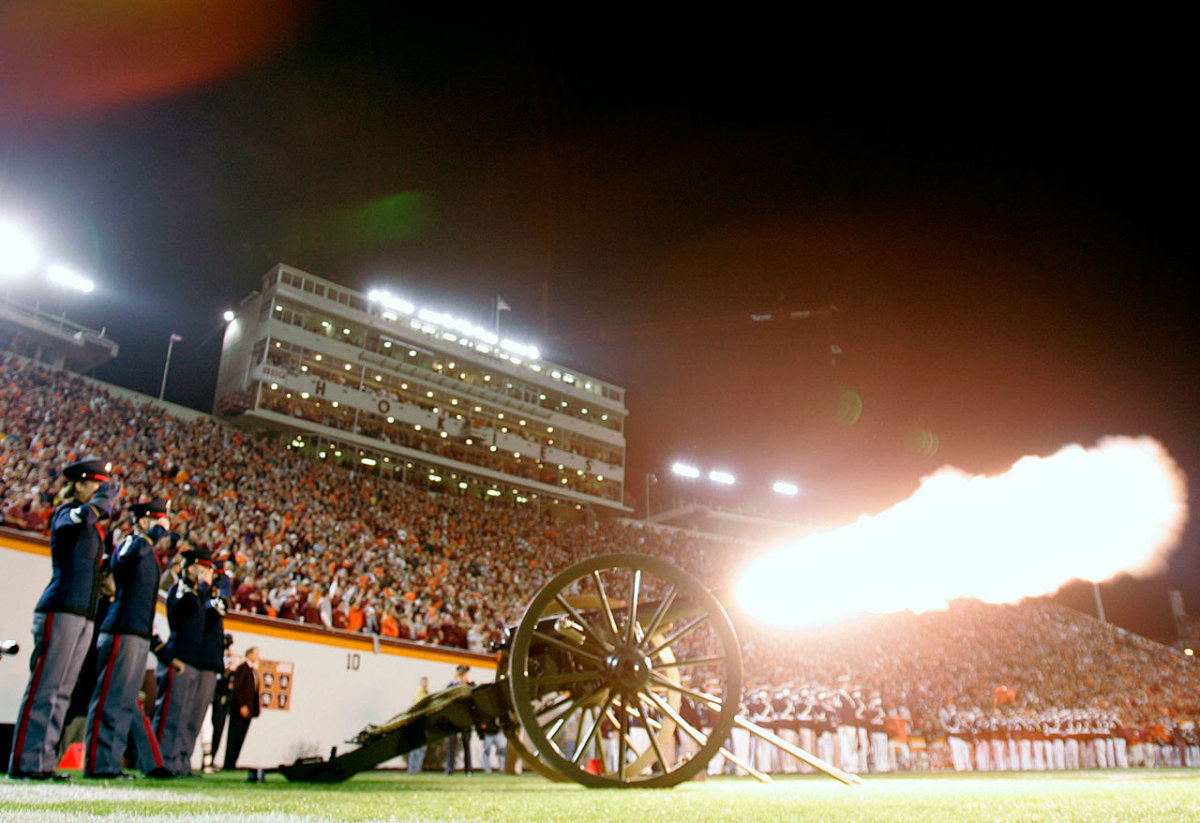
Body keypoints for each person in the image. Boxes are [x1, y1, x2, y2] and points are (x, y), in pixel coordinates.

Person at [9, 458, 117, 780]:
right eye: (95, 484)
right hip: (60, 608)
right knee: (46, 688)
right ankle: (25, 763)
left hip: (82, 612)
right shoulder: (66, 512)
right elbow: (80, 518)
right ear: (79, 484)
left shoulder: (93, 527)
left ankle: (43, 761)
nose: (100, 491)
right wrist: (101, 503)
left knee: (63, 692)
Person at [83, 497, 174, 779]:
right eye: (158, 522)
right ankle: (100, 764)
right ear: (144, 521)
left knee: (124, 702)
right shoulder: (130, 543)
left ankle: (114, 762)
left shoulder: (147, 553)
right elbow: (126, 557)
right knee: (110, 699)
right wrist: (153, 534)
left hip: (137, 633)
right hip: (122, 630)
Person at [152, 547, 213, 776]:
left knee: (186, 716)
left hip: (193, 660)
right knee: (171, 714)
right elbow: (182, 610)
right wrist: (203, 588)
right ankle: (162, 760)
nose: (204, 573)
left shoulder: (197, 592)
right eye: (200, 568)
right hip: (179, 657)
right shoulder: (180, 590)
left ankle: (178, 762)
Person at [223, 646, 261, 772]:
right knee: (234, 735)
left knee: (240, 737)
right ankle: (228, 763)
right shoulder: (242, 669)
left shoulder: (253, 671)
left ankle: (233, 762)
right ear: (249, 654)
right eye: (255, 654)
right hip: (239, 710)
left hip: (250, 710)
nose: (257, 656)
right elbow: (238, 688)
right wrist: (242, 705)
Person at [443, 665, 473, 775]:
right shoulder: (452, 686)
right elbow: (446, 693)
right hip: (454, 719)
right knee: (451, 744)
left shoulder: (470, 686)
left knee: (466, 745)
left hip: (465, 719)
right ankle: (450, 768)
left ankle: (468, 769)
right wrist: (455, 680)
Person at [407, 676, 429, 773]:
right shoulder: (419, 693)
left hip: (423, 722)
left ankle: (417, 768)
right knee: (416, 748)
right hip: (418, 722)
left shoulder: (426, 693)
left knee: (421, 748)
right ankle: (413, 769)